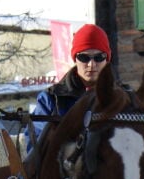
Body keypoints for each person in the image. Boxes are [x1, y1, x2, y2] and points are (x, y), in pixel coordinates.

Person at [24, 23, 112, 153]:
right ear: (75, 59)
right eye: (84, 57)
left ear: (107, 59)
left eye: (99, 57)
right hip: (62, 170)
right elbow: (35, 148)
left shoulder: (123, 99)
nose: (91, 64)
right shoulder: (51, 99)